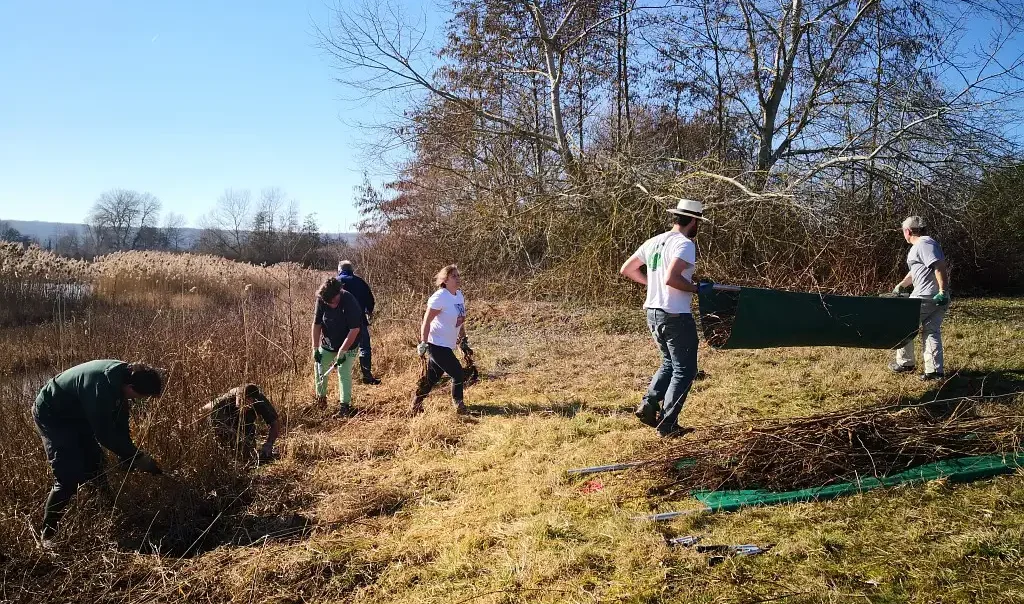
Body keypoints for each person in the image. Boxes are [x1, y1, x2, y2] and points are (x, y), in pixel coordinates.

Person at [32, 359, 164, 541]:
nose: (137, 400)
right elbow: (104, 435)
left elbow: (120, 425)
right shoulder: (101, 386)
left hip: (78, 413)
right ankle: (47, 535)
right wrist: (138, 456)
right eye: (139, 396)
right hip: (53, 414)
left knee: (96, 463)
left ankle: (108, 508)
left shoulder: (121, 381)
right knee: (68, 476)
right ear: (131, 387)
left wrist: (128, 455)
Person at [619, 198, 710, 437]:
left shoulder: (654, 241)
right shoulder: (684, 244)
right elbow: (672, 278)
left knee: (669, 363)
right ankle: (668, 425)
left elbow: (627, 269)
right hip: (675, 314)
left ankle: (649, 404)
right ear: (693, 220)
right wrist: (697, 288)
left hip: (653, 312)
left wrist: (652, 284)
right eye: (698, 222)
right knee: (685, 370)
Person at [889, 216, 951, 380]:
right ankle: (934, 372)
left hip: (924, 297)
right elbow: (916, 271)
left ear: (908, 231)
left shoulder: (924, 244)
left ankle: (905, 363)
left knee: (903, 325)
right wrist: (902, 284)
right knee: (931, 331)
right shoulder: (924, 245)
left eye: (903, 231)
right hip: (936, 297)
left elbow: (939, 266)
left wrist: (943, 291)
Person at [412, 264, 471, 415]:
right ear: (445, 280)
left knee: (432, 378)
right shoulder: (439, 297)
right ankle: (459, 405)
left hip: (448, 343)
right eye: (454, 276)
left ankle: (416, 404)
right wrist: (423, 342)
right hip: (436, 343)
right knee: (457, 373)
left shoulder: (458, 295)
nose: (458, 279)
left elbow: (460, 319)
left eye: (458, 275)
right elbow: (426, 321)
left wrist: (462, 338)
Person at [312, 276, 363, 416]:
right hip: (329, 342)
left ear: (339, 293)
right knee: (320, 368)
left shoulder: (349, 300)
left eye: (334, 301)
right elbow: (316, 324)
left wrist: (342, 351)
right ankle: (321, 399)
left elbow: (355, 329)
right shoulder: (322, 299)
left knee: (343, 371)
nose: (331, 305)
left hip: (349, 342)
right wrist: (315, 348)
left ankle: (344, 406)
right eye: (328, 303)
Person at [202, 384, 281, 462]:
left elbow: (274, 423)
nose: (245, 406)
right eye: (242, 402)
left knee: (247, 454)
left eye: (248, 404)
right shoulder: (227, 398)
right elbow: (204, 410)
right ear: (237, 397)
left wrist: (269, 444)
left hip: (246, 426)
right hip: (226, 424)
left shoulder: (260, 401)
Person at [337, 260, 381, 385]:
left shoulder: (335, 282)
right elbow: (371, 300)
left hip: (340, 322)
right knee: (364, 348)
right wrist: (368, 312)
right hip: (359, 320)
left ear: (339, 270)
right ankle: (367, 376)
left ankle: (344, 377)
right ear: (352, 270)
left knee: (341, 348)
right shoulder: (360, 281)